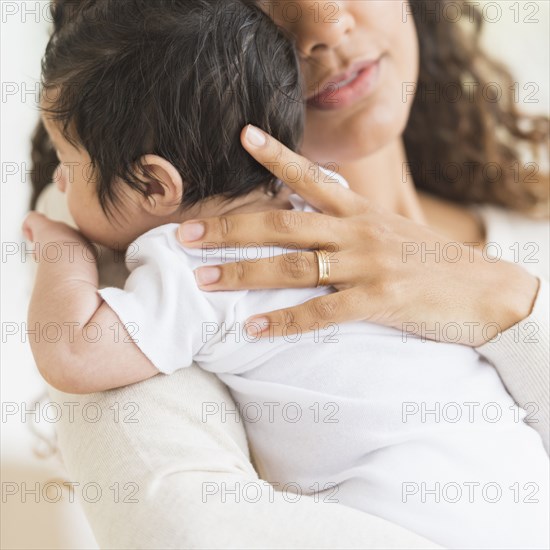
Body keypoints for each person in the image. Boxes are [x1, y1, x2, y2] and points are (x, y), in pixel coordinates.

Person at [27, 0, 549, 548]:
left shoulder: (530, 222)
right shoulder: (158, 246)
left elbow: (72, 348)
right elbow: (182, 530)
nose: (325, 23)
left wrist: (505, 299)